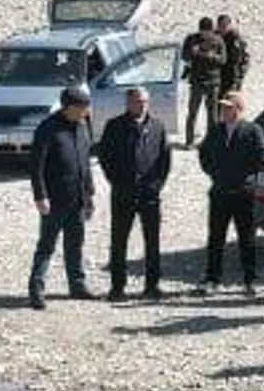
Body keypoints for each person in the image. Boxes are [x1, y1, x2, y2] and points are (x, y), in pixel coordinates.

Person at [95, 85, 171, 300]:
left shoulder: (157, 126)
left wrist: (157, 184)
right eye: (137, 101)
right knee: (119, 241)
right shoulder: (114, 126)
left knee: (152, 241)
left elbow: (165, 159)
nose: (142, 105)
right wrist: (117, 181)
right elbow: (105, 157)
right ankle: (117, 287)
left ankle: (152, 285)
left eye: (145, 101)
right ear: (128, 103)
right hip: (123, 193)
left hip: (150, 194)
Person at [28, 85, 96, 309]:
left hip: (78, 198)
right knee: (47, 246)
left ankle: (77, 285)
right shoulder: (47, 128)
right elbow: (36, 166)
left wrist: (89, 194)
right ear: (68, 107)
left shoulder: (83, 126)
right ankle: (36, 290)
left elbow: (85, 163)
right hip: (54, 200)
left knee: (75, 244)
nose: (86, 111)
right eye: (82, 107)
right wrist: (40, 196)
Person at [196, 90, 264, 293]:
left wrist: (244, 177)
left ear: (239, 109)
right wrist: (215, 174)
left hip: (243, 194)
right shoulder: (216, 130)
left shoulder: (253, 130)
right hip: (219, 192)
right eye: (222, 107)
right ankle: (212, 278)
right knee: (215, 238)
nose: (224, 111)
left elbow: (262, 158)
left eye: (228, 107)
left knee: (247, 239)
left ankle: (250, 279)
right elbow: (204, 155)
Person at [181, 16, 227, 147]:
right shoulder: (192, 39)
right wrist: (193, 52)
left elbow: (223, 60)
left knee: (212, 115)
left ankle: (211, 142)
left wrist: (209, 56)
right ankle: (189, 141)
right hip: (196, 81)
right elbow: (184, 56)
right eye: (203, 32)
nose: (205, 35)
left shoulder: (218, 40)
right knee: (192, 112)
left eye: (207, 32)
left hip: (213, 82)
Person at [215, 13, 250, 98]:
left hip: (233, 75)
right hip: (219, 75)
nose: (222, 29)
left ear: (229, 26)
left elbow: (239, 61)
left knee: (230, 99)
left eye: (224, 26)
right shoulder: (215, 36)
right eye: (220, 26)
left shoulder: (235, 39)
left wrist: (238, 79)